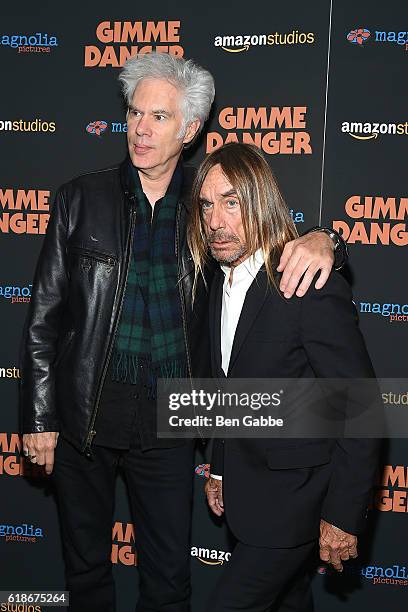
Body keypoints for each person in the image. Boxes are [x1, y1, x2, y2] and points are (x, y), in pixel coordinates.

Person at [20, 54, 346, 612]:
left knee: (169, 582)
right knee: (85, 572)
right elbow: (43, 318)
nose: (141, 128)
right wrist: (38, 417)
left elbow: (275, 237)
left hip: (173, 420)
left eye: (160, 116)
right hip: (83, 413)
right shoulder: (81, 198)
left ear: (191, 130)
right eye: (133, 112)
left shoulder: (209, 203)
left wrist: (328, 240)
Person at [188, 142, 380, 612]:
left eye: (231, 202)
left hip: (295, 506)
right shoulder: (216, 282)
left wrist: (342, 516)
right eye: (208, 205)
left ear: (260, 202)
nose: (216, 221)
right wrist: (218, 464)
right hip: (248, 499)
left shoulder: (304, 282)